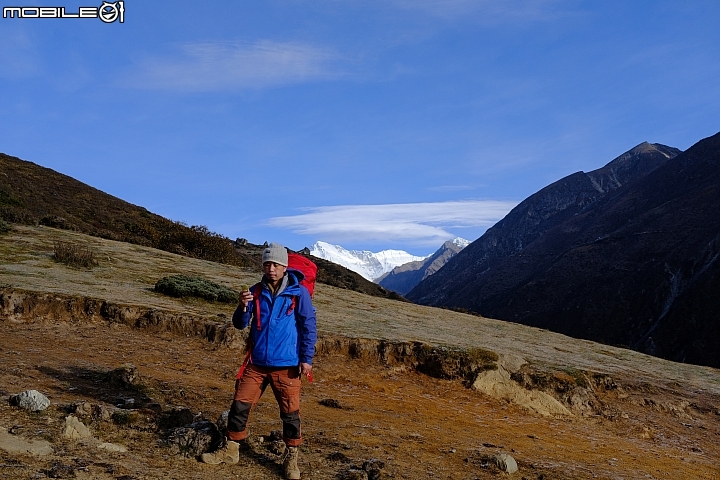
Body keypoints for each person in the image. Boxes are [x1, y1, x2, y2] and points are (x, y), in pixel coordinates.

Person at [201, 242, 317, 480]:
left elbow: (308, 326)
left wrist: (306, 359)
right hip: (256, 363)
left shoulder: (299, 293)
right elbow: (240, 324)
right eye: (267, 264)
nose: (271, 269)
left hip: (287, 365)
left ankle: (291, 458)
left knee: (290, 413)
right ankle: (231, 450)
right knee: (239, 405)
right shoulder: (254, 291)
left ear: (284, 266)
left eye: (275, 264)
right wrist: (242, 306)